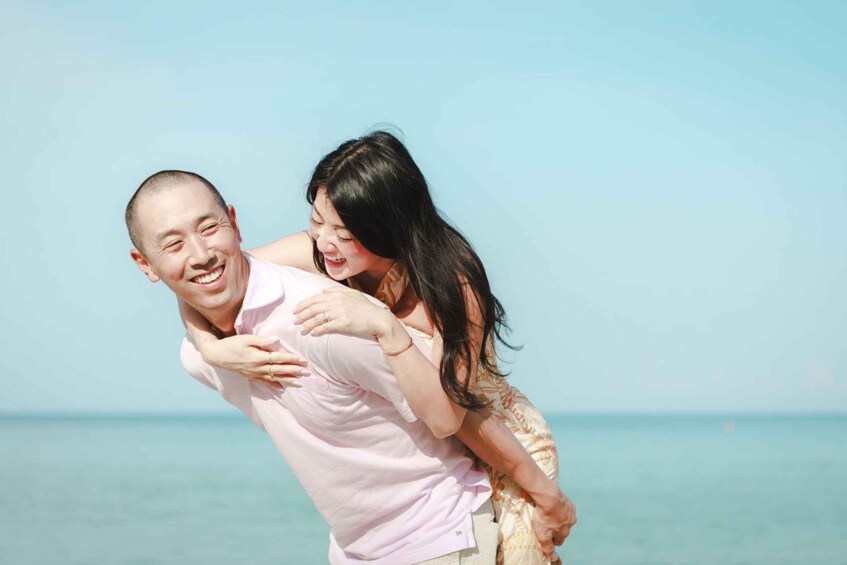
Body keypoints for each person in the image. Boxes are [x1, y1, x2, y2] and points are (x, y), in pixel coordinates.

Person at [180, 131, 576, 564]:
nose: (326, 240)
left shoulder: (452, 282)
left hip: (503, 438)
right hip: (440, 461)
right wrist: (210, 348)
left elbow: (449, 416)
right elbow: (211, 279)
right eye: (317, 219)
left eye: (345, 232)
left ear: (389, 226)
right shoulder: (319, 251)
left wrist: (388, 329)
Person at [126, 170, 505, 564]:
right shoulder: (199, 356)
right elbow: (204, 284)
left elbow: (451, 415)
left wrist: (545, 493)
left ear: (235, 224)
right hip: (354, 551)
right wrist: (208, 347)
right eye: (173, 244)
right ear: (145, 264)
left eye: (209, 228)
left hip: (439, 534)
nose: (200, 253)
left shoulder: (326, 319)